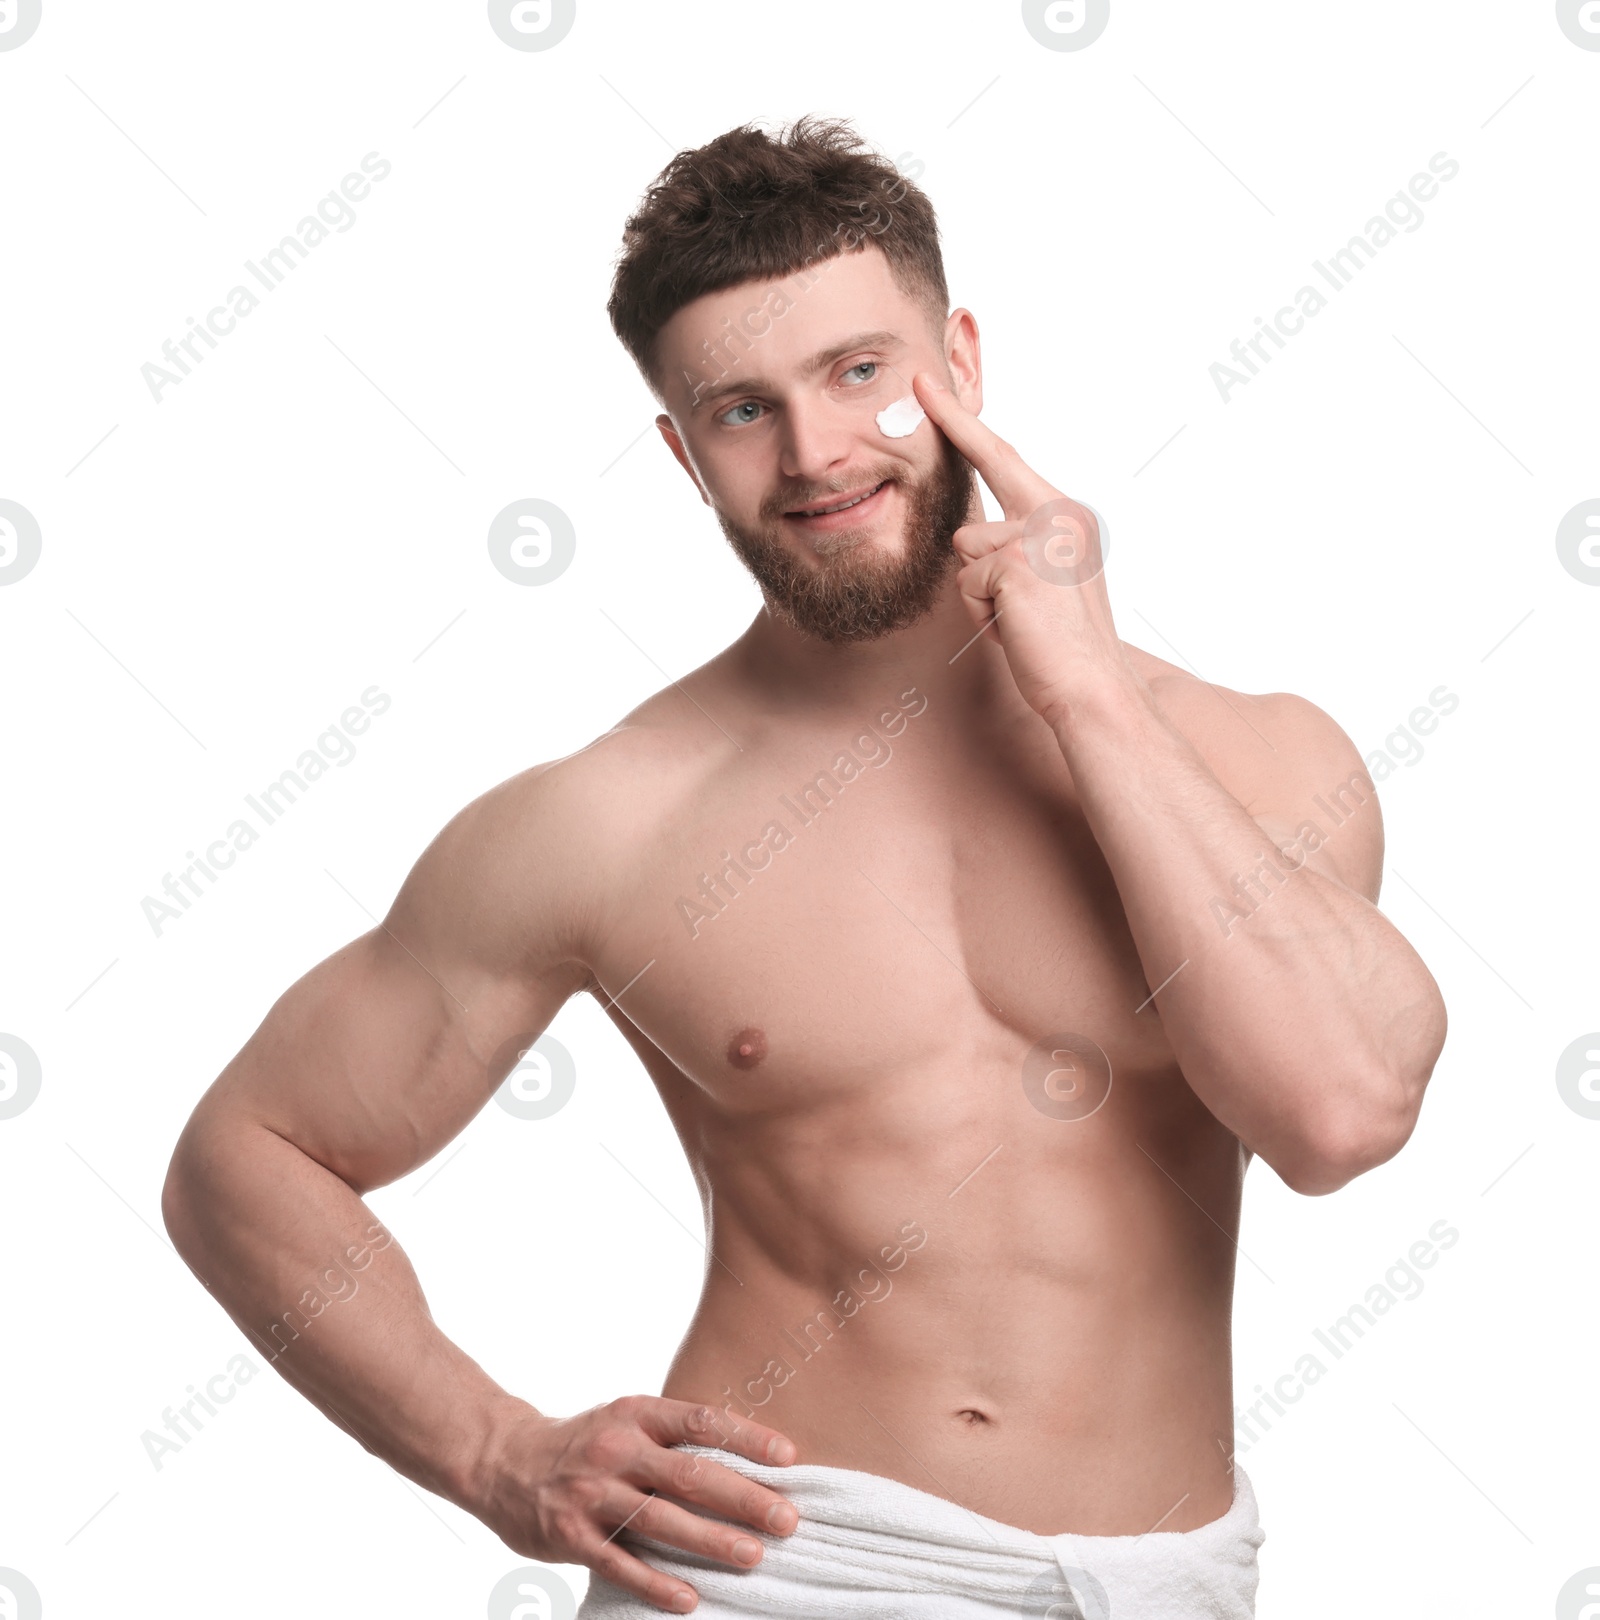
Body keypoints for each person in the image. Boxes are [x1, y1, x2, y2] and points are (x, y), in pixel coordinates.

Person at [161, 116, 1447, 1618]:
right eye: (740, 410)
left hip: (1165, 1581)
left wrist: (1088, 692)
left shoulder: (1254, 758)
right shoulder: (613, 816)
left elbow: (1340, 1116)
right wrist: (497, 1453)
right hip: (772, 1571)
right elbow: (243, 1158)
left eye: (860, 373)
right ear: (681, 452)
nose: (817, 452)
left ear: (959, 363)